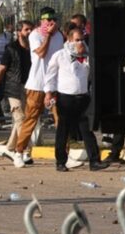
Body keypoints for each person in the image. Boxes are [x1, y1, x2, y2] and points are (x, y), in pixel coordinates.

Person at [44, 27, 109, 172]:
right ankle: (61, 161)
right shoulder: (60, 55)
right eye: (77, 40)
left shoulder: (87, 55)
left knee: (87, 130)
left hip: (83, 97)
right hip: (65, 98)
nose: (80, 43)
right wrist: (49, 93)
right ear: (69, 40)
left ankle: (94, 161)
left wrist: (87, 57)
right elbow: (50, 76)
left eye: (82, 40)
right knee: (63, 130)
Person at [9, 7, 64, 168]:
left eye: (53, 19)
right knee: (31, 119)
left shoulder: (59, 35)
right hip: (37, 84)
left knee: (61, 120)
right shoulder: (35, 35)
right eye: (48, 20)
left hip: (56, 84)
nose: (51, 22)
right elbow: (40, 53)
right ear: (41, 21)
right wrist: (48, 35)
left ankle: (64, 155)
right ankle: (19, 152)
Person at [0, 20, 33, 158]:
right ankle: (25, 151)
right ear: (19, 32)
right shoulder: (11, 48)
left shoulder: (33, 48)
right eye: (26, 29)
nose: (29, 32)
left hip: (28, 87)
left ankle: (10, 148)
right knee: (20, 118)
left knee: (21, 119)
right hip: (13, 88)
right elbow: (2, 69)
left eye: (31, 29)